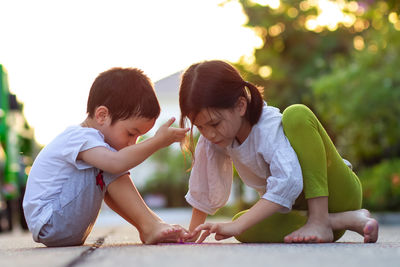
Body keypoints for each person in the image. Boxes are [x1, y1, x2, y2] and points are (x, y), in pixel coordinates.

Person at [179, 60, 379, 244]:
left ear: (240, 105)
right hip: (298, 212)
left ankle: (321, 219)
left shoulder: (266, 127)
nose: (209, 134)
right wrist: (192, 234)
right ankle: (341, 221)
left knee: (296, 114)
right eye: (201, 127)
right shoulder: (214, 139)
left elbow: (290, 180)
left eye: (214, 123)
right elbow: (204, 185)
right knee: (240, 226)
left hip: (337, 193)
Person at [23, 67, 189, 247]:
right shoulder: (80, 137)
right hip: (53, 222)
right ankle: (150, 225)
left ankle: (150, 225)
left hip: (59, 224)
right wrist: (157, 142)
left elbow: (114, 179)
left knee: (109, 164)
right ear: (102, 115)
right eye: (131, 133)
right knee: (110, 162)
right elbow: (115, 163)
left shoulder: (91, 142)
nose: (132, 142)